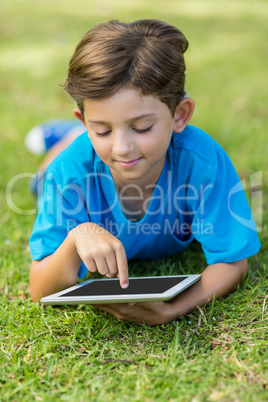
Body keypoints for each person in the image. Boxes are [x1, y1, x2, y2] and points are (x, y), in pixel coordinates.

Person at [29, 19, 261, 325]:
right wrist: (76, 238)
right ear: (86, 122)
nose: (122, 148)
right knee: (43, 178)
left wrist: (172, 309)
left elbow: (232, 263)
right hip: (62, 168)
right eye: (101, 129)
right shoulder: (69, 172)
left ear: (180, 115)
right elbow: (40, 288)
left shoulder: (201, 161)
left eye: (141, 127)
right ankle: (63, 137)